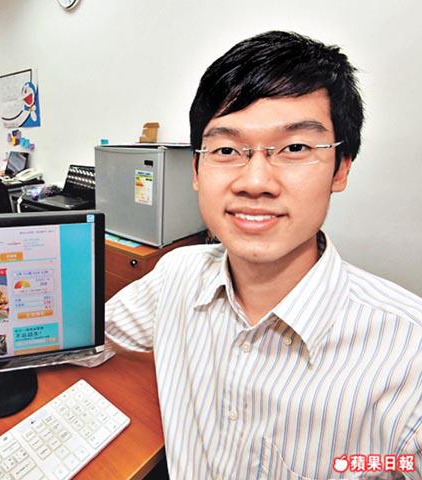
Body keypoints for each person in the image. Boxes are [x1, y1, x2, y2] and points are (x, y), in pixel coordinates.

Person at [105, 31, 422, 479]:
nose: (255, 182)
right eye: (226, 149)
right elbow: (87, 338)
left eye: (295, 148)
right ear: (196, 170)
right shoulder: (176, 275)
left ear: (341, 168)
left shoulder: (409, 357)